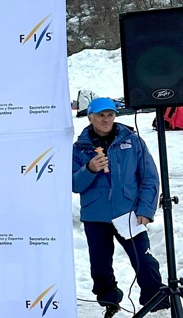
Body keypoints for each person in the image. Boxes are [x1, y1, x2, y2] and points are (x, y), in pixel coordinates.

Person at [72, 97, 169, 317]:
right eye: (100, 115)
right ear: (90, 118)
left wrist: (145, 210)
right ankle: (109, 301)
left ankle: (155, 300)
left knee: (143, 260)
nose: (106, 119)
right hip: (95, 216)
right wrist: (89, 169)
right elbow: (74, 184)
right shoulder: (79, 148)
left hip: (129, 214)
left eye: (110, 115)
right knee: (100, 267)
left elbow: (149, 178)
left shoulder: (133, 141)